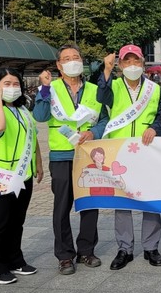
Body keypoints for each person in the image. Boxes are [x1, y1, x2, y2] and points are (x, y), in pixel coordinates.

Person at [97, 44, 161, 270]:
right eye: (127, 61)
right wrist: (106, 70)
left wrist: (155, 127)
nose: (132, 65)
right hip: (120, 152)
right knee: (122, 201)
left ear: (143, 63)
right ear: (120, 64)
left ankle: (151, 247)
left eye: (136, 61)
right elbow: (101, 97)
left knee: (149, 199)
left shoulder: (154, 88)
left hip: (147, 151)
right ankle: (125, 248)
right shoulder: (113, 85)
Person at [33, 44, 109, 275]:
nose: (72, 61)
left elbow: (104, 120)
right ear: (59, 65)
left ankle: (86, 250)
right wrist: (44, 89)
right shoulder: (50, 88)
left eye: (76, 57)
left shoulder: (94, 89)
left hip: (88, 155)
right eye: (66, 58)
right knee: (61, 207)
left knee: (90, 205)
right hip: (62, 155)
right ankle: (65, 255)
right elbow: (40, 116)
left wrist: (93, 133)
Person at [0, 68, 43, 284]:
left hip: (23, 175)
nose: (12, 88)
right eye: (6, 84)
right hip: (1, 177)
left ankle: (15, 260)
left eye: (16, 84)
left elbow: (33, 138)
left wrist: (39, 163)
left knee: (17, 221)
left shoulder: (23, 110)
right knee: (1, 221)